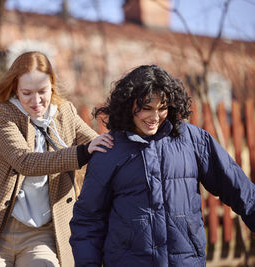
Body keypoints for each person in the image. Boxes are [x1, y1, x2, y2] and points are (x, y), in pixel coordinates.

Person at [0, 51, 113, 267]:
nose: (36, 100)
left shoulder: (65, 113)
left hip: (40, 235)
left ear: (52, 86)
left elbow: (102, 147)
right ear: (15, 89)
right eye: (27, 93)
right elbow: (25, 161)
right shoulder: (1, 114)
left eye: (42, 91)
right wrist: (81, 153)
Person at [69, 64, 255, 267]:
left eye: (162, 108)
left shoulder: (193, 140)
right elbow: (88, 220)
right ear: (128, 104)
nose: (155, 117)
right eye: (146, 108)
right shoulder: (109, 151)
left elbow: (240, 190)